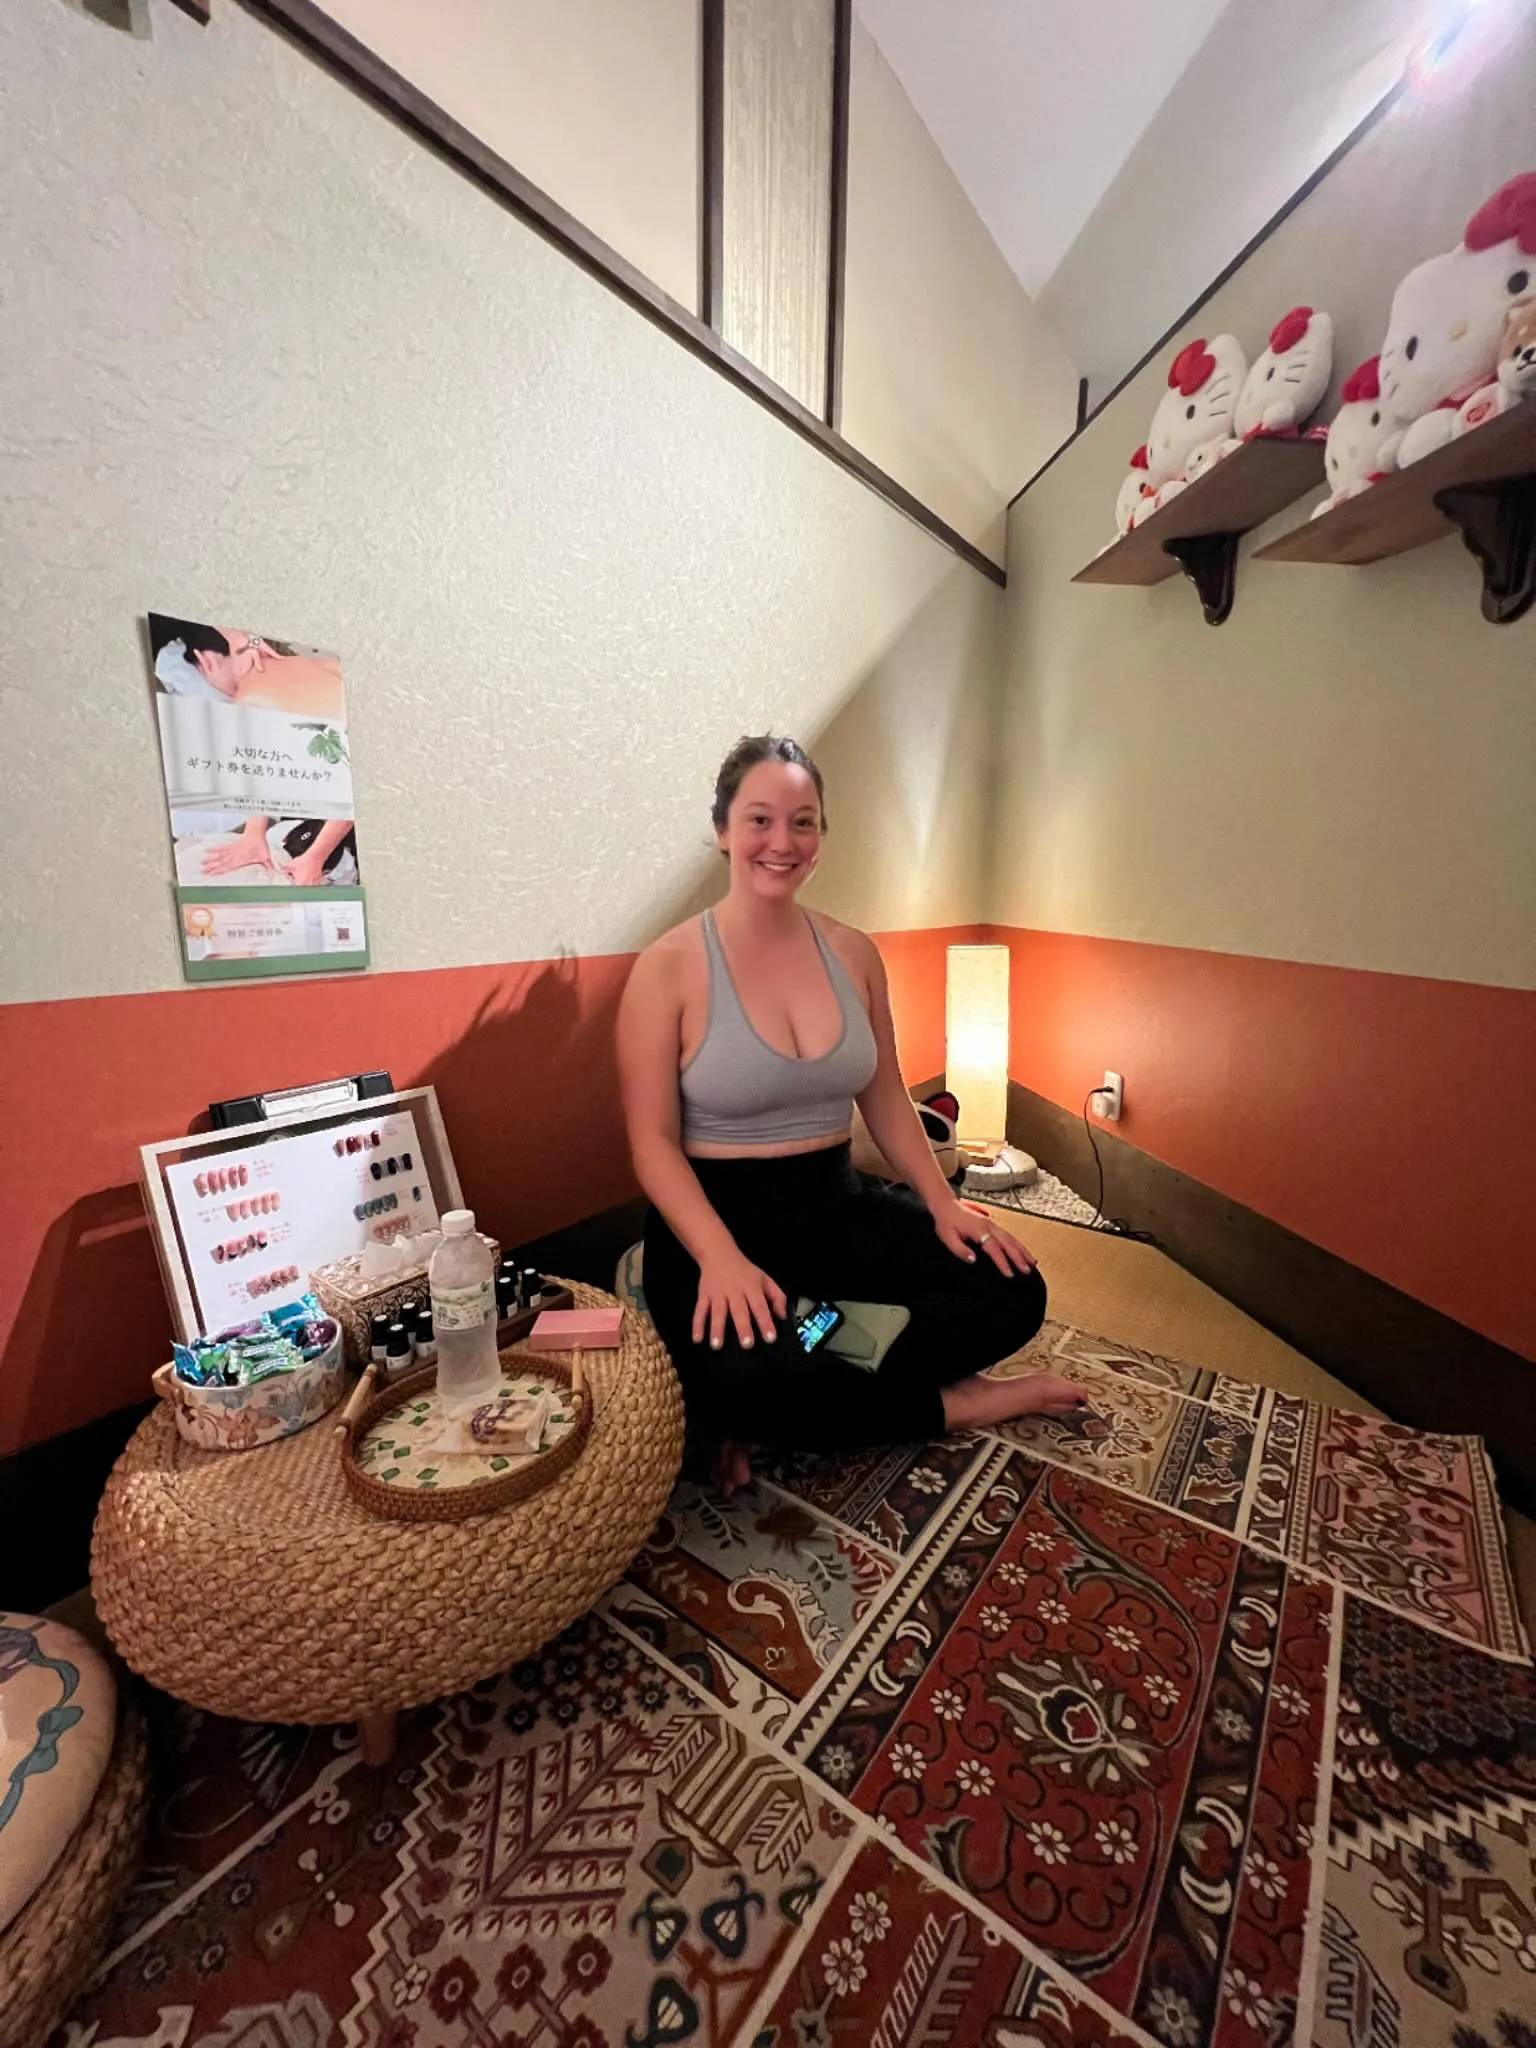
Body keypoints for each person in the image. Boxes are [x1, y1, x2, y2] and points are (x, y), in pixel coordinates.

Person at [617, 734, 1084, 1496]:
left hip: (835, 1212)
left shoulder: (854, 954)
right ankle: (953, 1402)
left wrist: (943, 1205)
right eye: (760, 820)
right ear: (723, 829)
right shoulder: (666, 969)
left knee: (1013, 1289)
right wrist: (721, 1259)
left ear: (821, 835)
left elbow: (887, 1098)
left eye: (803, 822)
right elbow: (652, 1144)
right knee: (752, 1374)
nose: (782, 842)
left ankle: (813, 1354)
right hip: (715, 1232)